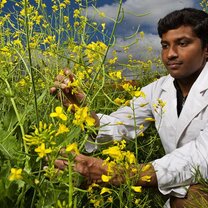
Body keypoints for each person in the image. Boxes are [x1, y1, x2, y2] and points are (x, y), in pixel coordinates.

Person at [51, 8, 208, 208]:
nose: (170, 54)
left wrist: (117, 174)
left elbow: (203, 157)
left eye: (183, 43)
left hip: (196, 187)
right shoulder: (157, 89)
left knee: (191, 199)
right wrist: (83, 113)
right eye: (165, 45)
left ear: (206, 49)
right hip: (180, 185)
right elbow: (121, 124)